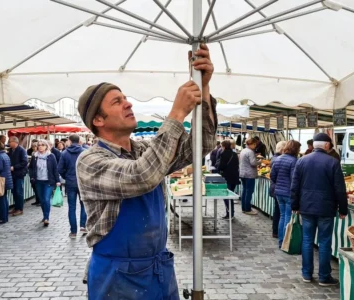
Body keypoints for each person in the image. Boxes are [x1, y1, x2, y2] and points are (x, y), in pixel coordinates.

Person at [77, 43, 216, 299]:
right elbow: (142, 175)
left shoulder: (144, 150)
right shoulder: (90, 160)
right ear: (98, 120)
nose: (128, 103)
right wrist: (176, 113)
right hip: (117, 276)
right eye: (117, 102)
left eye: (125, 98)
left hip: (158, 269)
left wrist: (203, 87)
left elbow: (201, 146)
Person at [291, 133, 348, 286]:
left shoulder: (302, 161)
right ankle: (324, 276)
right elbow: (340, 189)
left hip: (307, 207)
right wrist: (343, 209)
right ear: (327, 145)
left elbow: (294, 186)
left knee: (307, 240)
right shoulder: (333, 162)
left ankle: (306, 274)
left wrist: (295, 205)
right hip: (326, 208)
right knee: (324, 242)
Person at [270, 140, 301, 248]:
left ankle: (281, 240)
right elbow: (294, 179)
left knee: (282, 216)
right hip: (288, 193)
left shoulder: (278, 159)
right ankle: (284, 242)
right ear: (296, 149)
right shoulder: (294, 161)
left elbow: (272, 176)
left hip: (278, 192)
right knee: (287, 217)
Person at [59, 135, 87, 238]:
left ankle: (73, 231)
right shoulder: (84, 152)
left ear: (69, 141)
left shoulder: (65, 153)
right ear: (79, 141)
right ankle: (83, 226)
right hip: (83, 182)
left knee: (71, 207)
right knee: (84, 205)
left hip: (70, 182)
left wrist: (66, 176)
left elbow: (60, 169)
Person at [29, 139, 61, 227]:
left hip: (49, 181)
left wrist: (58, 180)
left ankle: (46, 218)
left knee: (46, 199)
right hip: (38, 181)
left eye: (42, 145)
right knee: (42, 200)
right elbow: (31, 167)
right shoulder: (34, 156)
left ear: (46, 146)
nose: (40, 146)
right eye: (39, 145)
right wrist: (32, 176)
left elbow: (55, 169)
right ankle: (44, 215)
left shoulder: (51, 156)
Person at [217, 140, 239, 219]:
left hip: (227, 177)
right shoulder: (234, 154)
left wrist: (218, 167)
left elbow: (221, 166)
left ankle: (229, 214)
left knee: (226, 195)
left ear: (223, 146)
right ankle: (231, 213)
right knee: (231, 194)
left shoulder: (223, 154)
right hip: (234, 177)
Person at [270, 141, 287, 239]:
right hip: (280, 189)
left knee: (278, 211)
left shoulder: (274, 158)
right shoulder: (278, 159)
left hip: (276, 188)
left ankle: (276, 231)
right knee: (280, 213)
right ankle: (279, 233)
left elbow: (273, 176)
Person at [8, 137, 28, 216]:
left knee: (19, 191)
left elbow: (24, 162)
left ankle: (20, 209)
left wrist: (14, 167)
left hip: (19, 174)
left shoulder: (21, 150)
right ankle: (16, 207)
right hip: (12, 174)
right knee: (14, 191)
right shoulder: (10, 150)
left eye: (10, 142)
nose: (9, 143)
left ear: (15, 142)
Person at [239, 138, 259, 215]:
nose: (255, 146)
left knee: (244, 191)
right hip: (249, 174)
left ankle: (244, 208)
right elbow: (253, 163)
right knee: (249, 192)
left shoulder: (243, 150)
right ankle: (248, 209)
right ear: (251, 144)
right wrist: (259, 162)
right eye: (255, 144)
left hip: (243, 173)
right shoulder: (250, 152)